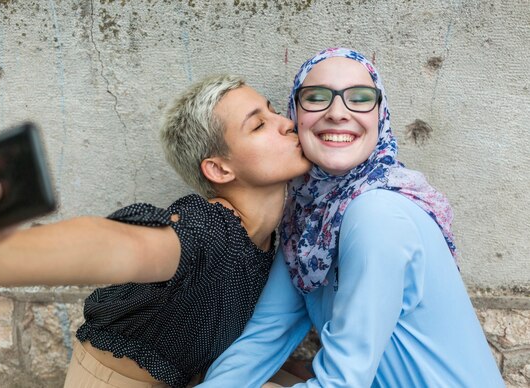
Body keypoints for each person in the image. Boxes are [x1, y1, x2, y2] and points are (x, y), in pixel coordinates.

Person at [0, 75, 311, 387]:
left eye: (274, 110)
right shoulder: (208, 228)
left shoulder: (271, 238)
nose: (285, 123)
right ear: (220, 169)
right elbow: (117, 246)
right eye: (258, 125)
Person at [199, 48, 505, 387]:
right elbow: (264, 336)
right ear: (295, 116)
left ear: (381, 116)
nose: (338, 113)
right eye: (316, 97)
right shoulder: (309, 221)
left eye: (359, 98)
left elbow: (342, 383)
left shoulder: (378, 213)